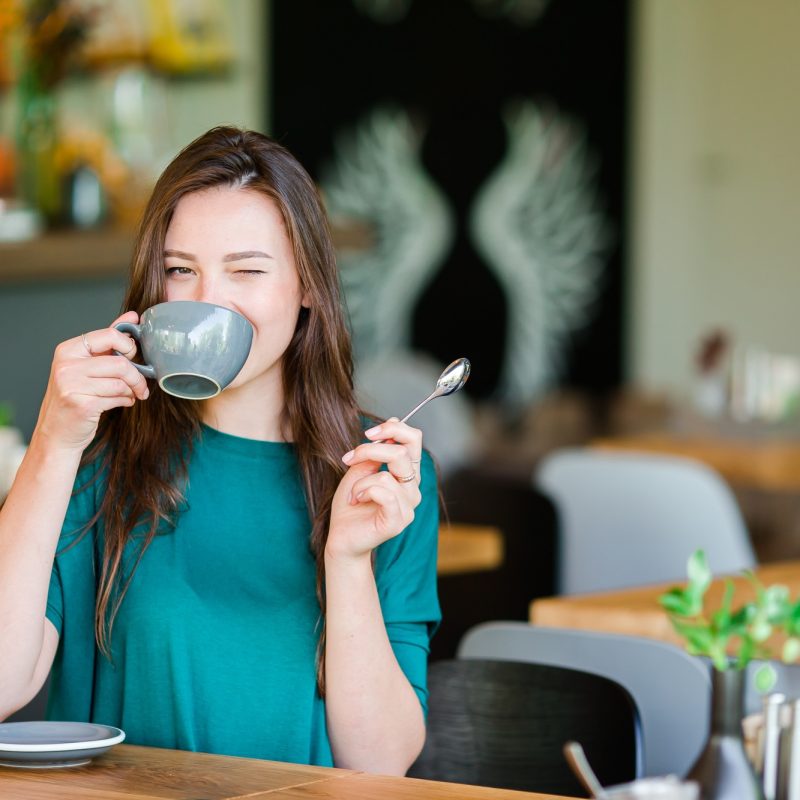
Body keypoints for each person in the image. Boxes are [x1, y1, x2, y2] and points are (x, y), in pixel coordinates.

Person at [0, 127, 440, 775]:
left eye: (246, 270)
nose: (207, 301)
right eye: (182, 271)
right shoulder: (98, 453)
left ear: (309, 287)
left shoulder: (379, 474)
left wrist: (347, 559)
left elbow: (380, 765)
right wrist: (52, 442)